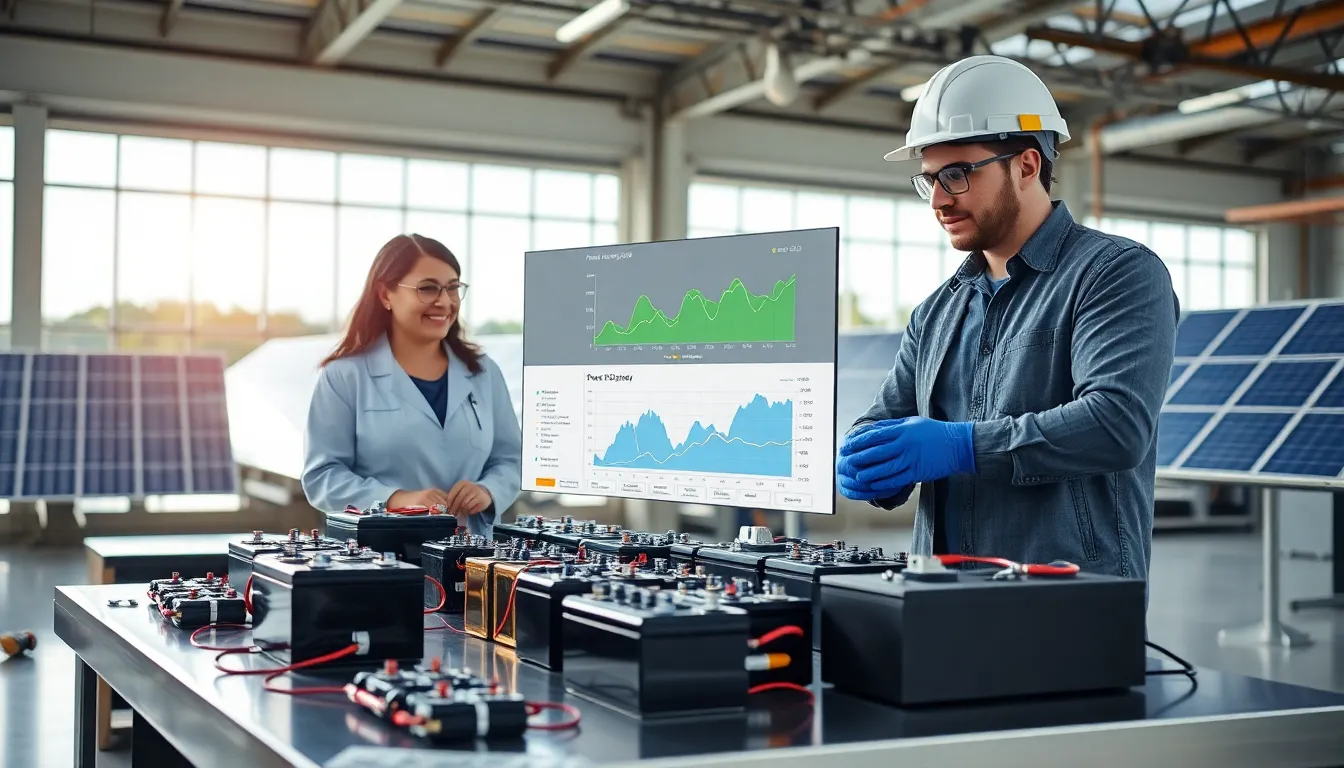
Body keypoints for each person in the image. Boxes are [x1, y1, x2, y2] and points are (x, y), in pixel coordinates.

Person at [835, 55, 1179, 582]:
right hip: (942, 595)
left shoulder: (1117, 274)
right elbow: (889, 418)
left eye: (956, 175)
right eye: (929, 180)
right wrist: (871, 459)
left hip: (1069, 606)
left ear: (1026, 165)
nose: (939, 202)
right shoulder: (937, 312)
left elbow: (1116, 424)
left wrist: (963, 445)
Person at [301, 233, 522, 538]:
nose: (444, 301)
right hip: (378, 559)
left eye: (453, 288)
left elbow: (511, 459)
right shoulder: (344, 376)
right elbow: (322, 477)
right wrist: (396, 500)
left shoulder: (484, 373)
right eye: (428, 288)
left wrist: (488, 490)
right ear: (385, 295)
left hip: (468, 557)